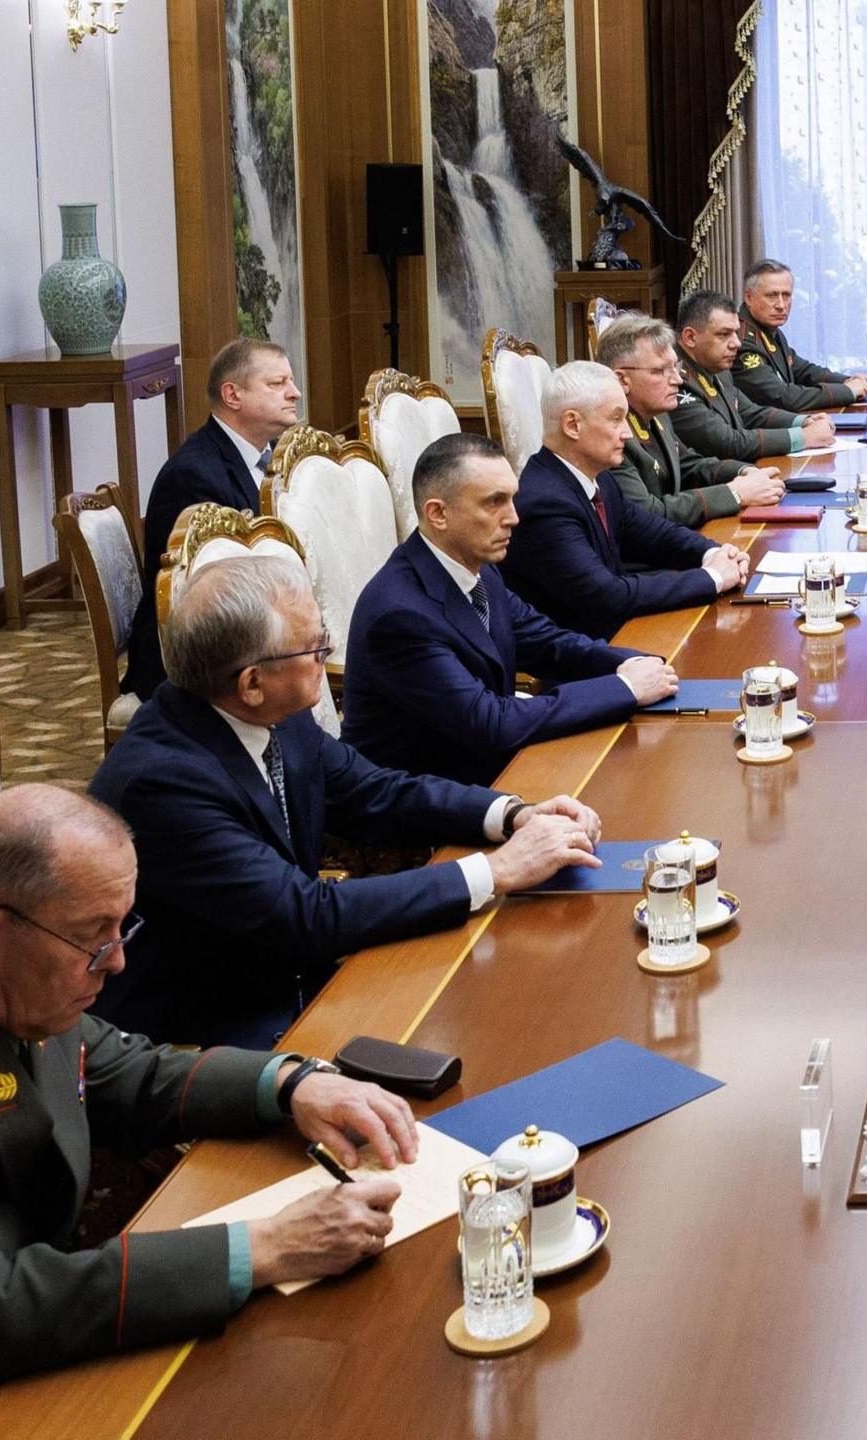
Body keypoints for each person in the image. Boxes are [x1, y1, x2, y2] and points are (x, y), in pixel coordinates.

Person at [0, 785, 418, 1437]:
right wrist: (266, 1246)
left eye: (122, 929)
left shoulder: (1, 979)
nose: (117, 962)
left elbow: (125, 1071)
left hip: (42, 1343)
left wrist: (290, 1083)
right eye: (95, 941)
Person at [90, 556, 605, 1047]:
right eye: (314, 648)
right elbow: (302, 916)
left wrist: (512, 814)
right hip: (214, 1029)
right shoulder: (164, 783)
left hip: (292, 974)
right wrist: (498, 872)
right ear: (251, 683)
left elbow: (377, 791)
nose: (328, 653)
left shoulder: (273, 714)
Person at [341, 433, 680, 786]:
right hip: (433, 802)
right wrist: (624, 687)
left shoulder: (477, 565)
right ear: (438, 513)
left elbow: (547, 642)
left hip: (491, 768)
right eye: (494, 503)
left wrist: (634, 662)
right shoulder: (400, 615)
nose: (514, 518)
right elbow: (490, 722)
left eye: (512, 499)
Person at [498, 360, 753, 640]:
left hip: (619, 632)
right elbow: (606, 596)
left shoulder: (598, 477)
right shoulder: (544, 503)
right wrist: (713, 578)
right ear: (572, 424)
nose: (627, 433)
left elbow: (654, 534)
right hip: (583, 654)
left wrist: (714, 553)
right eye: (616, 418)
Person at [125, 338, 303, 698]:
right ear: (232, 395)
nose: (294, 393)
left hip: (254, 627)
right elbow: (211, 596)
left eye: (291, 382)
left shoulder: (275, 460)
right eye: (277, 384)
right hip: (194, 659)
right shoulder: (193, 477)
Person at [597, 311, 782, 531]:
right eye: (660, 371)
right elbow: (650, 514)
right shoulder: (610, 435)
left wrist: (744, 472)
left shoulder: (657, 413)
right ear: (621, 379)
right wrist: (735, 493)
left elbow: (688, 465)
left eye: (674, 367)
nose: (677, 379)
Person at [670, 289, 835, 462]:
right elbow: (728, 444)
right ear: (690, 337)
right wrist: (804, 437)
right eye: (724, 334)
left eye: (735, 332)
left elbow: (750, 413)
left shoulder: (718, 367)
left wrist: (802, 421)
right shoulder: (674, 380)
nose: (736, 343)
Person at [735, 259, 867, 412]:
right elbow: (782, 397)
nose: (781, 305)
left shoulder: (767, 328)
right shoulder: (742, 341)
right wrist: (847, 391)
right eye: (771, 296)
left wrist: (849, 381)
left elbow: (803, 370)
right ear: (749, 297)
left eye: (786, 295)